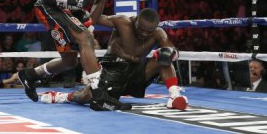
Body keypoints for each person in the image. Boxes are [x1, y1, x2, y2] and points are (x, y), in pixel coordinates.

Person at [17, 0, 131, 111]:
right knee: (85, 39)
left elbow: (100, 1)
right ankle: (98, 95)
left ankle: (30, 75)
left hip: (70, 11)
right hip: (48, 6)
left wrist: (91, 23)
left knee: (70, 61)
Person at [40, 8, 188, 110]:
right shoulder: (122, 22)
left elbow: (174, 51)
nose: (144, 34)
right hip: (112, 71)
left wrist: (169, 54)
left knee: (164, 57)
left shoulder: (158, 33)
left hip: (136, 73)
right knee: (88, 96)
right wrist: (86, 10)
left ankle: (175, 96)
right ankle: (64, 97)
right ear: (136, 20)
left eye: (148, 32)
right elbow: (95, 19)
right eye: (141, 28)